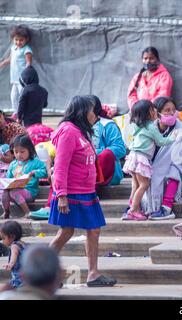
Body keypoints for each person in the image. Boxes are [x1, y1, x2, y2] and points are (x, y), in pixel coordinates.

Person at [48, 95, 116, 287]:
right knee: (66, 232)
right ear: (82, 112)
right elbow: (60, 165)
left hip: (86, 191)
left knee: (93, 230)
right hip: (70, 192)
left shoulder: (81, 131)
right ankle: (43, 273)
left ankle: (93, 274)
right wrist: (61, 195)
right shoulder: (69, 132)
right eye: (93, 110)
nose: (96, 114)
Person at [122, 100, 176, 221]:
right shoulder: (151, 127)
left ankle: (131, 208)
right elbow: (161, 141)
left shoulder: (138, 126)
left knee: (136, 185)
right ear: (148, 113)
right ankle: (134, 211)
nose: (155, 111)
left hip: (133, 156)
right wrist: (173, 137)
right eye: (153, 109)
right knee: (144, 185)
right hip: (141, 158)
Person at [141, 96, 182, 220]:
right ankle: (134, 206)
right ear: (157, 113)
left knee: (176, 169)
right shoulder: (149, 128)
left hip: (171, 173)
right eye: (167, 110)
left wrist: (163, 166)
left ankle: (166, 207)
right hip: (152, 171)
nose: (171, 113)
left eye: (173, 110)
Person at [1, 135, 47, 219]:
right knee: (6, 191)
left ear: (29, 150)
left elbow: (46, 171)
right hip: (14, 193)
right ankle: (6, 211)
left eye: (22, 152)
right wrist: (6, 183)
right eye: (16, 152)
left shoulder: (35, 162)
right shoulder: (13, 164)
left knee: (14, 191)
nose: (19, 155)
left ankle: (28, 212)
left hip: (30, 192)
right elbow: (8, 178)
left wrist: (34, 173)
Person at [91, 95, 126, 188]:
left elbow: (120, 149)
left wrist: (93, 152)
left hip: (108, 173)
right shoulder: (77, 125)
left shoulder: (108, 125)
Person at [0, 25, 33, 118]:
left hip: (22, 79)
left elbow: (29, 63)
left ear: (26, 39)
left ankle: (23, 114)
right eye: (16, 40)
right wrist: (2, 63)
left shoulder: (27, 50)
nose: (18, 42)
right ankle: (16, 112)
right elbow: (11, 59)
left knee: (23, 97)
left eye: (21, 40)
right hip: (14, 78)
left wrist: (26, 74)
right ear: (13, 39)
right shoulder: (13, 48)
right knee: (13, 96)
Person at [0, 221, 25, 289]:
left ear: (12, 237)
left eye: (3, 238)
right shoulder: (22, 244)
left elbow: (14, 254)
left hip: (18, 276)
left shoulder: (14, 246)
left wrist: (11, 263)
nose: (2, 241)